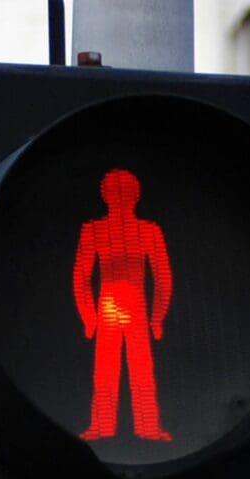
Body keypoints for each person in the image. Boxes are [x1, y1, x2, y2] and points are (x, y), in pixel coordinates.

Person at [70, 167, 173, 443]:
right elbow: (81, 276)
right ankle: (105, 426)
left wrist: (157, 317)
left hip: (126, 306)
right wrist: (88, 318)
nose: (120, 197)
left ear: (134, 196)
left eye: (124, 192)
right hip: (112, 308)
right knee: (109, 369)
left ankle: (146, 426)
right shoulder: (94, 231)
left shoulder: (148, 231)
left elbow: (163, 276)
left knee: (139, 368)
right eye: (116, 192)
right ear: (105, 196)